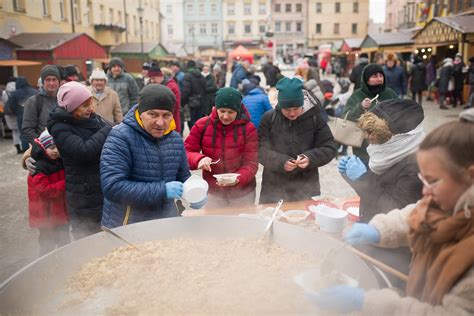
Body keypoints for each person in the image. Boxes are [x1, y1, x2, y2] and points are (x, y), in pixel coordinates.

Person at [309, 109, 474, 316]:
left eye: (432, 182)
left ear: (470, 176)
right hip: (421, 286)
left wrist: (366, 302)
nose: (425, 192)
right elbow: (415, 213)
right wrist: (378, 230)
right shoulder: (450, 201)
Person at [100, 84, 204, 228]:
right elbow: (113, 187)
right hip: (128, 225)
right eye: (153, 114)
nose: (160, 122)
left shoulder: (175, 139)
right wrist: (162, 191)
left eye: (166, 115)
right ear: (141, 113)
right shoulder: (120, 137)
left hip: (166, 222)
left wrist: (195, 191)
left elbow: (183, 176)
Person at [339, 99, 424, 222]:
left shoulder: (414, 167)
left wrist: (363, 178)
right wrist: (350, 175)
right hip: (370, 221)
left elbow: (395, 211)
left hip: (386, 233)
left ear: (396, 135)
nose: (368, 137)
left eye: (373, 132)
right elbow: (372, 192)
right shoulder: (387, 152)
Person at [47, 81, 112, 239]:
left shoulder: (91, 119)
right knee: (87, 238)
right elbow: (84, 151)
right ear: (70, 108)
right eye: (84, 106)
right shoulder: (60, 127)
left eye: (90, 103)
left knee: (105, 236)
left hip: (100, 188)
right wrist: (108, 130)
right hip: (83, 195)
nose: (90, 109)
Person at [258, 77, 337, 203]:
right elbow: (260, 150)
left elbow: (330, 147)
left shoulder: (315, 118)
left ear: (302, 104)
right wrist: (281, 162)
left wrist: (310, 158)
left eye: (296, 108)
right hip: (273, 188)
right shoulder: (269, 118)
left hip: (305, 187)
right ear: (280, 105)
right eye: (287, 110)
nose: (292, 113)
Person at [185, 87, 258, 207]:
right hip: (213, 192)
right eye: (222, 111)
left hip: (243, 192)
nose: (225, 116)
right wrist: (199, 159)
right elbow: (187, 151)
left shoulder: (248, 128)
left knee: (243, 224)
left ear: (238, 110)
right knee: (215, 224)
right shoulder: (202, 125)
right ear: (215, 108)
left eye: (231, 112)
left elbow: (251, 163)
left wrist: (238, 179)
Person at [343, 64, 398, 164]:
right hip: (363, 149)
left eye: (381, 76)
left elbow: (400, 114)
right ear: (366, 79)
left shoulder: (390, 93)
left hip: (388, 147)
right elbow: (346, 117)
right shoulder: (357, 95)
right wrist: (360, 107)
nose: (379, 79)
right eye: (374, 76)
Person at [27, 130, 69, 256]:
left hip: (59, 212)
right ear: (43, 149)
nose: (56, 150)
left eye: (57, 147)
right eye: (51, 148)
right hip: (45, 215)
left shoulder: (59, 161)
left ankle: (64, 262)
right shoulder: (38, 168)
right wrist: (66, 183)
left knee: (64, 241)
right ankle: (45, 265)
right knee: (47, 243)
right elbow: (47, 191)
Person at [22, 65, 60, 146]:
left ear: (58, 81)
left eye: (54, 79)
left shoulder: (64, 99)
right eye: (48, 80)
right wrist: (42, 146)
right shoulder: (33, 102)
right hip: (43, 149)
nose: (51, 83)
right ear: (42, 82)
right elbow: (27, 129)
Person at [147, 65, 182, 134]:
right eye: (150, 79)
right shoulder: (156, 85)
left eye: (153, 78)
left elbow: (172, 107)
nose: (152, 81)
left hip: (170, 124)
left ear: (160, 76)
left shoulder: (171, 87)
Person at [7, 77, 37, 152]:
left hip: (21, 116)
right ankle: (36, 147)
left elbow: (11, 106)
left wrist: (16, 112)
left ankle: (25, 149)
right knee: (35, 131)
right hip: (34, 115)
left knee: (23, 132)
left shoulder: (14, 93)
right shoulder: (34, 91)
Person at [181, 60, 206, 130]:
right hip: (201, 102)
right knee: (199, 122)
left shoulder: (187, 76)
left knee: (191, 123)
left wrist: (182, 102)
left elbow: (186, 91)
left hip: (191, 103)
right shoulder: (201, 76)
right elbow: (205, 89)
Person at [2, 77, 22, 153]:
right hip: (17, 112)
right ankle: (22, 145)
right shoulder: (18, 90)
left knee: (14, 131)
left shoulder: (4, 92)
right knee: (20, 129)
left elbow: (3, 103)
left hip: (8, 113)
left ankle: (17, 147)